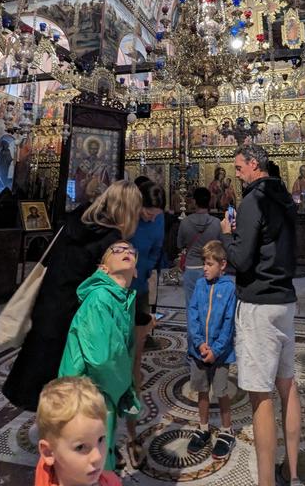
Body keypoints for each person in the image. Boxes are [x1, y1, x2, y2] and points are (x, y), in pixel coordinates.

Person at [2, 181, 142, 413]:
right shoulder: (110, 238)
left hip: (50, 303)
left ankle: (48, 421)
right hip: (77, 314)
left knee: (42, 371)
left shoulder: (78, 221)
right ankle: (66, 432)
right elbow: (110, 287)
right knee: (70, 379)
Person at [220, 144, 301, 486]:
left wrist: (227, 234)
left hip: (259, 303)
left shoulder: (254, 200)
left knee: (260, 395)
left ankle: (266, 481)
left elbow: (241, 259)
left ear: (254, 165)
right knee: (288, 384)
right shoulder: (284, 197)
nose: (236, 174)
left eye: (239, 167)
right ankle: (293, 473)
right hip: (285, 299)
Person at [59, 242, 140, 472]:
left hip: (101, 391)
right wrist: (125, 389)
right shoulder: (100, 299)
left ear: (135, 270)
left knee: (98, 455)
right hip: (86, 393)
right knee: (88, 462)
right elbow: (102, 360)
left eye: (131, 252)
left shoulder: (122, 298)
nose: (126, 252)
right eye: (117, 250)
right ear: (103, 268)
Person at [126, 180, 165, 466]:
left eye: (156, 213)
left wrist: (149, 266)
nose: (151, 217)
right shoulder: (127, 216)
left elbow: (156, 249)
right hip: (116, 289)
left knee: (134, 358)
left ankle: (131, 429)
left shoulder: (158, 220)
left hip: (138, 290)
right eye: (148, 212)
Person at [187, 241, 237, 461]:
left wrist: (216, 350)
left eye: (209, 264)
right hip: (199, 351)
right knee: (202, 390)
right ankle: (203, 427)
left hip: (221, 354)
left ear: (222, 264)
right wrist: (199, 343)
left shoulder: (230, 288)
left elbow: (229, 323)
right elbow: (193, 314)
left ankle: (227, 431)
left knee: (221, 391)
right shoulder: (199, 285)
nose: (205, 268)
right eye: (204, 264)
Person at [35, 376, 121, 486]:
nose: (97, 456)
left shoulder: (109, 481)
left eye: (100, 439)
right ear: (48, 452)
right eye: (80, 447)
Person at [177, 186, 222, 305]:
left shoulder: (185, 222)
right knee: (210, 304)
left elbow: (179, 244)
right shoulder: (217, 223)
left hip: (191, 266)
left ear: (194, 202)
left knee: (192, 305)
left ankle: (193, 324)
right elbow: (222, 246)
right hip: (211, 267)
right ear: (209, 202)